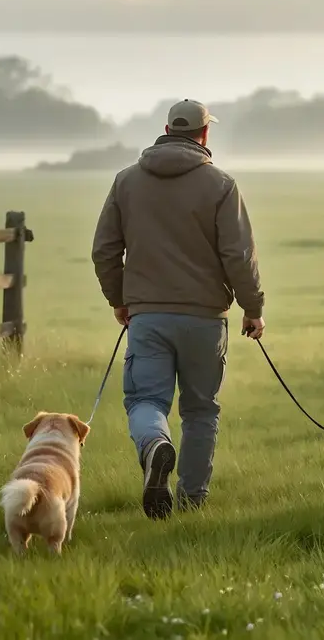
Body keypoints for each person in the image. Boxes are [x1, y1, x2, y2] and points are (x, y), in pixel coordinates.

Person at [91, 99, 265, 520]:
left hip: (148, 317)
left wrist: (120, 300)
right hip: (206, 319)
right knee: (201, 410)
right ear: (205, 134)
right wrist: (252, 307)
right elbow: (238, 255)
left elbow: (105, 251)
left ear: (167, 130)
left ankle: (154, 446)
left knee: (146, 400)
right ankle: (191, 501)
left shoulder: (125, 181)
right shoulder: (222, 185)